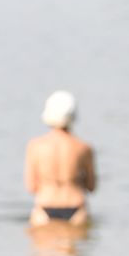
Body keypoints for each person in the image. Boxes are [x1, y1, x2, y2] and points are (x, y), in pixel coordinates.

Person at [26, 90, 97, 227]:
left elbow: (31, 186)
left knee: (42, 248)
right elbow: (91, 186)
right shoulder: (84, 147)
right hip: (76, 207)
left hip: (44, 207)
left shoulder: (35, 146)